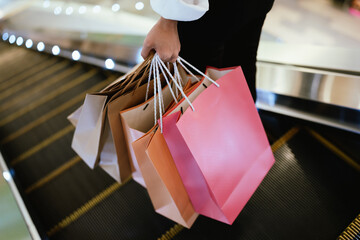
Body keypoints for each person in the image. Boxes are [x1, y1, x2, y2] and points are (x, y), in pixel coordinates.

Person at [141, 0, 274, 101]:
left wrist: (168, 20)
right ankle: (243, 133)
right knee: (240, 66)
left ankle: (195, 135)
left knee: (193, 84)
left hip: (214, 8)